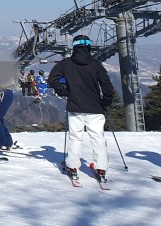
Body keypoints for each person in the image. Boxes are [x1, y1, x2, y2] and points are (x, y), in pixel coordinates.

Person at [47, 34, 114, 182]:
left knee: (75, 137)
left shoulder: (66, 64)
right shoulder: (96, 65)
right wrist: (106, 102)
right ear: (89, 46)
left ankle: (72, 166)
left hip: (75, 106)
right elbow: (107, 86)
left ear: (74, 47)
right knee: (98, 138)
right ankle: (101, 168)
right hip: (96, 107)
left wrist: (64, 91)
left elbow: (52, 79)